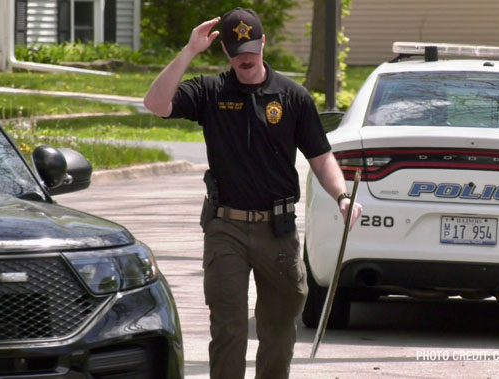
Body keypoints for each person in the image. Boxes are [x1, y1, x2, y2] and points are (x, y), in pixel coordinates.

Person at [144, 7, 362, 379]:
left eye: (251, 48)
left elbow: (321, 157)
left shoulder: (293, 97)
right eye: (237, 51)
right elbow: (156, 104)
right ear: (225, 52)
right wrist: (188, 51)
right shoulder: (211, 92)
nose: (246, 58)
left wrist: (342, 196)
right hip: (225, 228)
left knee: (278, 332)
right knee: (228, 328)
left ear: (264, 43)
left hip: (277, 229)